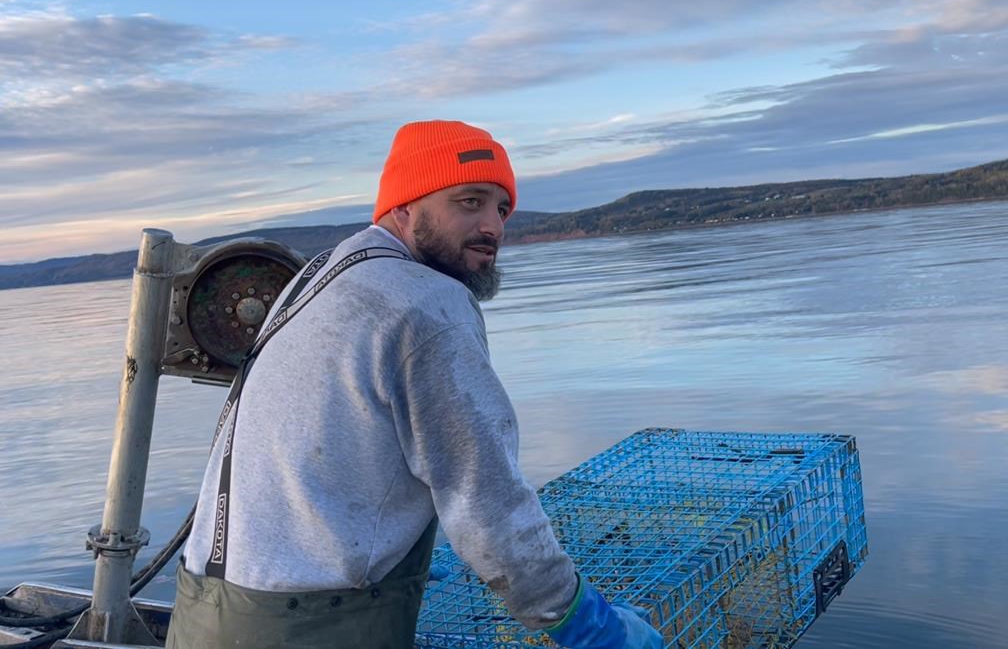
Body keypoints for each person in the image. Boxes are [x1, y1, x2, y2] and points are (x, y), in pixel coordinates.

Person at [166, 120, 662, 648]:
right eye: (469, 202)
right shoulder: (427, 303)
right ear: (404, 207)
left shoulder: (320, 276)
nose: (493, 227)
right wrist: (584, 622)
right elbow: (488, 503)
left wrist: (386, 548)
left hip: (202, 615)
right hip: (305, 630)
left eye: (502, 209)